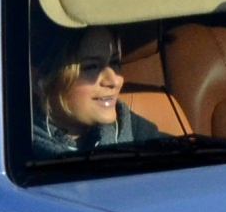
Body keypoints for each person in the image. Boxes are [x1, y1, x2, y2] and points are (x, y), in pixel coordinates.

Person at [33, 25, 155, 156]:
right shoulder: (15, 155)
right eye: (91, 67)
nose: (115, 81)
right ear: (40, 82)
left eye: (115, 63)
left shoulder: (144, 136)